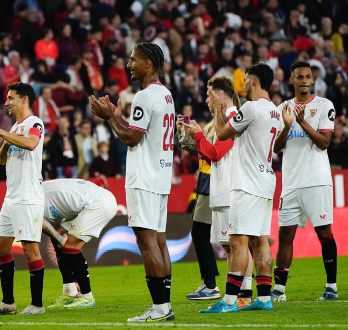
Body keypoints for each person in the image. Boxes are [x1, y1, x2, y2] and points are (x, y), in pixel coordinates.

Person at [89, 42, 176, 322]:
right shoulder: (166, 95)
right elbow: (139, 130)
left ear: (148, 64)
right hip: (160, 176)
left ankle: (160, 308)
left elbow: (131, 138)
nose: (129, 65)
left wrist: (108, 119)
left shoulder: (143, 96)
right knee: (159, 241)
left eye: (133, 60)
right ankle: (165, 305)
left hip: (144, 177)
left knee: (146, 240)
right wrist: (116, 117)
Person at [201, 63, 279, 313]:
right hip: (267, 179)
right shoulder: (275, 111)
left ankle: (230, 300)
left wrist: (221, 115)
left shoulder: (251, 108)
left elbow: (223, 134)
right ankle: (265, 298)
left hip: (248, 183)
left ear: (254, 82)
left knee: (236, 240)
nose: (242, 85)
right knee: (261, 240)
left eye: (245, 80)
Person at [182, 76, 254, 307]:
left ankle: (243, 295)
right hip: (222, 188)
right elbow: (210, 154)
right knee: (230, 244)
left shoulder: (232, 117)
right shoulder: (224, 118)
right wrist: (194, 136)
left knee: (236, 244)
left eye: (208, 94)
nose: (206, 99)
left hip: (229, 188)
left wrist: (199, 136)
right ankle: (244, 294)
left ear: (218, 93)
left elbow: (216, 153)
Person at [272, 61, 338, 302]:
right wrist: (287, 127)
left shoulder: (323, 105)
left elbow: (324, 142)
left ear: (312, 80)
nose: (304, 81)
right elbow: (277, 149)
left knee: (324, 233)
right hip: (290, 183)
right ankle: (279, 290)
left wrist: (302, 122)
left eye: (308, 77)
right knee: (285, 235)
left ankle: (331, 286)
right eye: (299, 77)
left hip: (316, 181)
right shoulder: (284, 108)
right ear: (292, 80)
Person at [0, 82, 46, 316]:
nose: (6, 102)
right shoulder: (16, 126)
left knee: (30, 249)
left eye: (11, 98)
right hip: (11, 197)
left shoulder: (34, 123)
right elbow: (1, 160)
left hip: (28, 197)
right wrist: (6, 141)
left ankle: (37, 305)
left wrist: (1, 132)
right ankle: (8, 303)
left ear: (24, 99)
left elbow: (31, 143)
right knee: (2, 246)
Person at [41, 179, 117, 308]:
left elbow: (46, 225)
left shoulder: (35, 201)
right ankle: (70, 292)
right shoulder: (41, 192)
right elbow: (56, 231)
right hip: (92, 201)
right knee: (60, 244)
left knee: (70, 246)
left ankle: (87, 297)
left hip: (98, 202)